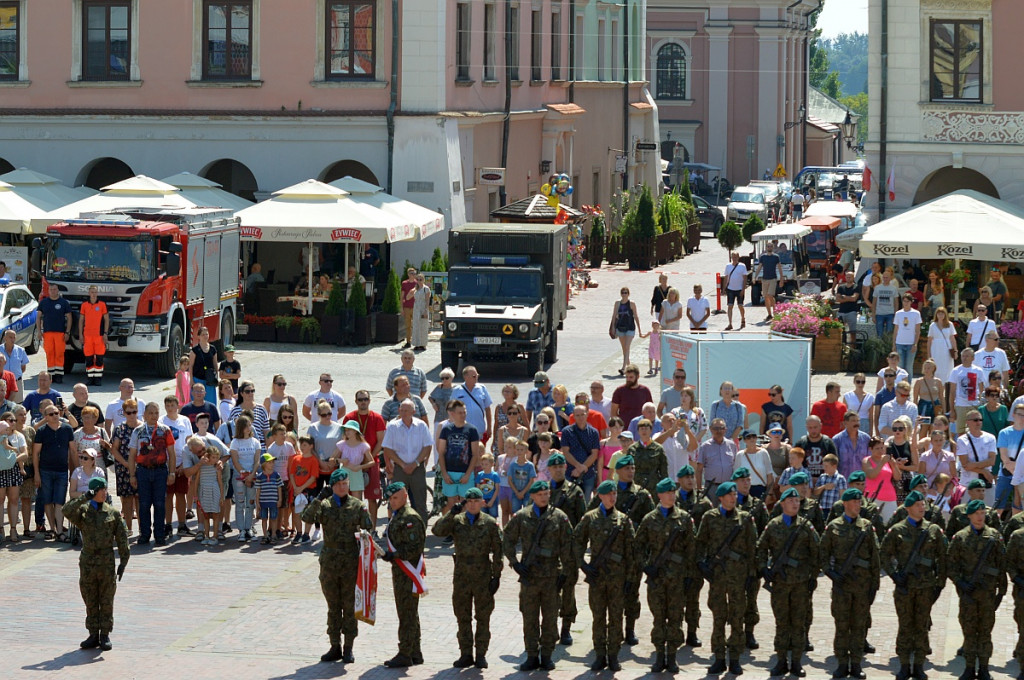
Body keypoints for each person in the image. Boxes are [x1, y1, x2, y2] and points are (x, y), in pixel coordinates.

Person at [302, 467, 373, 663]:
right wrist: (317, 499)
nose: (343, 487)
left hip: (350, 560)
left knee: (349, 606)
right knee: (333, 606)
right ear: (332, 486)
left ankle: (349, 647)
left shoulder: (357, 505)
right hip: (330, 561)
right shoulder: (325, 505)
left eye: (345, 484)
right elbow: (306, 518)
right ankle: (335, 645)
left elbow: (369, 527)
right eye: (339, 484)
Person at [503, 479, 574, 671]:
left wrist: (566, 573)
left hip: (552, 576)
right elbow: (507, 539)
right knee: (530, 618)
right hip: (530, 577)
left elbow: (568, 546)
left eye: (546, 494)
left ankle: (547, 655)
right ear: (532, 496)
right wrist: (514, 563)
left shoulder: (559, 517)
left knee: (550, 618)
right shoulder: (522, 516)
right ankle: (532, 655)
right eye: (540, 495)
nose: (544, 497)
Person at [431, 486, 503, 668]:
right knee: (462, 616)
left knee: (483, 616)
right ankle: (465, 653)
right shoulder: (457, 520)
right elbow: (437, 531)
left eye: (475, 501)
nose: (472, 505)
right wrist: (451, 513)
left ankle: (480, 654)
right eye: (469, 501)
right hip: (462, 574)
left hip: (483, 574)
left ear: (482, 503)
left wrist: (497, 576)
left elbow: (498, 551)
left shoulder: (490, 523)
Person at [880, 490, 948, 680]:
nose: (922, 508)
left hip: (926, 587)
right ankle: (903, 665)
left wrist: (939, 584)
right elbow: (883, 554)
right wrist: (894, 575)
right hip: (905, 587)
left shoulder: (933, 530)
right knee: (905, 626)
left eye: (923, 505)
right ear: (908, 508)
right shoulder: (897, 530)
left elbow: (943, 558)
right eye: (918, 505)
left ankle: (918, 665)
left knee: (921, 626)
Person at [757, 487, 820, 678]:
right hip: (780, 583)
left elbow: (817, 552)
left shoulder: (806, 526)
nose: (795, 503)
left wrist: (813, 576)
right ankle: (781, 660)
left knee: (798, 623)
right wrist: (764, 569)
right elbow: (760, 548)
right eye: (791, 500)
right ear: (782, 503)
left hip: (800, 583)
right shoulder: (773, 525)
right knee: (782, 623)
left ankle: (796, 662)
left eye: (797, 501)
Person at [696, 481, 758, 676]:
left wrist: (751, 574)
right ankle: (719, 658)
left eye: (734, 494)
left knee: (737, 617)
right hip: (718, 577)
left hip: (738, 576)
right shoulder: (709, 517)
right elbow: (700, 544)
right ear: (720, 498)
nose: (734, 497)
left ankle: (736, 659)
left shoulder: (745, 519)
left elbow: (752, 549)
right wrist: (702, 566)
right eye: (729, 495)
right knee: (718, 617)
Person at [575, 479, 636, 672]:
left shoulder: (624, 520)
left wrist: (630, 579)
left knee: (616, 617)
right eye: (609, 494)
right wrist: (583, 566)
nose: (613, 497)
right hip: (597, 577)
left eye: (615, 494)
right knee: (599, 617)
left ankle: (613, 655)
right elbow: (576, 543)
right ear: (600, 495)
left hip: (618, 578)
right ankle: (600, 655)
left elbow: (631, 552)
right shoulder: (590, 518)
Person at [819, 487, 880, 680]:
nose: (858, 505)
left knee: (859, 626)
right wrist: (831, 574)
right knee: (842, 625)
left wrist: (874, 587)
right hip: (842, 587)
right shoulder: (834, 527)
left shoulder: (868, 527)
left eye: (859, 501)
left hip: (862, 587)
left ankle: (856, 663)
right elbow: (822, 556)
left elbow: (875, 559)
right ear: (845, 504)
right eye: (854, 502)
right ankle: (842, 663)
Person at [62, 477, 129, 652]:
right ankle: (93, 634)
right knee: (90, 598)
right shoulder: (83, 512)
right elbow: (66, 510)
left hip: (106, 562)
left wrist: (123, 562)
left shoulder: (112, 513)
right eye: (101, 490)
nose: (104, 493)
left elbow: (122, 540)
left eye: (105, 489)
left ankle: (105, 634)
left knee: (106, 599)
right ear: (93, 492)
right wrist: (85, 497)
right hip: (88, 561)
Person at [635, 476, 693, 673]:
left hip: (677, 577)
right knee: (659, 618)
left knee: (676, 617)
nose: (671, 495)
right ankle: (659, 655)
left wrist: (688, 575)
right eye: (667, 492)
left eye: (673, 491)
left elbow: (691, 549)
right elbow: (638, 547)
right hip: (657, 577)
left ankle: (673, 657)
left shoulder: (684, 518)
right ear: (659, 495)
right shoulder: (649, 519)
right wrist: (645, 566)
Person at [947, 500, 1006, 680]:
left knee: (986, 632)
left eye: (982, 513)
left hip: (988, 593)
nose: (980, 517)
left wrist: (1001, 592)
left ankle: (985, 668)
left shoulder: (995, 537)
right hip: (968, 594)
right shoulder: (960, 538)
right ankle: (969, 667)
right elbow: (950, 566)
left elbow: (1002, 565)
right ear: (969, 516)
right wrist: (960, 583)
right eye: (976, 514)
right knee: (970, 631)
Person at [378, 481, 427, 668]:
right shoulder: (397, 515)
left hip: (408, 571)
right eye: (390, 499)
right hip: (400, 571)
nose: (392, 501)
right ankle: (415, 652)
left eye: (396, 497)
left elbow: (415, 548)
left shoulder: (410, 518)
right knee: (410, 613)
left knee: (406, 614)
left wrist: (394, 555)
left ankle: (405, 653)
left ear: (405, 496)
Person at [128, 402, 177, 546]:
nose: (153, 416)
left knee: (160, 503)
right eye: (150, 413)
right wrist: (132, 475)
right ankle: (144, 534)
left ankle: (160, 535)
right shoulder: (138, 431)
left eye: (156, 413)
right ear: (144, 415)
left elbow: (172, 454)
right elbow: (131, 455)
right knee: (143, 504)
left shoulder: (165, 430)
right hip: (142, 470)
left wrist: (172, 472)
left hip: (161, 470)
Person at [380, 400, 433, 517]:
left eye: (406, 410)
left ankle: (420, 530)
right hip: (400, 468)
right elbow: (387, 449)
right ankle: (395, 529)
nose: (403, 413)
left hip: (417, 468)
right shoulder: (393, 426)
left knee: (420, 502)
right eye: (401, 410)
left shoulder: (421, 425)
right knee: (396, 501)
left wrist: (415, 464)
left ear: (413, 411)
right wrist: (403, 465)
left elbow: (427, 446)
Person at [437, 399, 482, 511]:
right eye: (460, 413)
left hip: (465, 472)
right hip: (450, 472)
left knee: (465, 503)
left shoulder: (472, 430)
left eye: (464, 412)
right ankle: (451, 526)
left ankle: (463, 526)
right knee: (450, 504)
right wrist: (444, 474)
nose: (463, 415)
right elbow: (441, 452)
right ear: (453, 414)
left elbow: (475, 455)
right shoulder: (446, 429)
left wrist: (467, 474)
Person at [37, 282, 72, 383]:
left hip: (60, 333)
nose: (53, 291)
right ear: (48, 291)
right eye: (51, 290)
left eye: (55, 289)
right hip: (47, 333)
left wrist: (68, 332)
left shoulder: (63, 302)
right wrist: (39, 331)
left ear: (58, 290)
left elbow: (69, 317)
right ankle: (51, 375)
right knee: (49, 353)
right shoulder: (44, 302)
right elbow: (38, 317)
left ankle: (59, 375)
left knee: (59, 354)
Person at [695, 418, 738, 499]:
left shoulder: (732, 445)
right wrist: (699, 489)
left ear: (725, 429)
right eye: (716, 428)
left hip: (728, 487)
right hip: (712, 487)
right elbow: (699, 470)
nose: (719, 431)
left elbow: (736, 466)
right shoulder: (705, 446)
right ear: (711, 429)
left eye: (721, 428)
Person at [451, 365, 493, 445]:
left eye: (477, 375)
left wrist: (489, 427)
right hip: (462, 429)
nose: (476, 377)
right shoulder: (457, 390)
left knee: (479, 454)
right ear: (466, 377)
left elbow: (488, 409)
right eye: (474, 376)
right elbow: (451, 409)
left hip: (479, 429)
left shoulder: (482, 388)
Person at [77, 285, 109, 386]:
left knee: (99, 358)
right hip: (87, 336)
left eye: (95, 292)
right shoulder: (84, 305)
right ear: (89, 293)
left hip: (99, 335)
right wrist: (80, 334)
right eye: (92, 292)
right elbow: (81, 320)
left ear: (97, 293)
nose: (94, 294)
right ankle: (90, 379)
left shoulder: (102, 304)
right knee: (89, 358)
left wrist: (105, 333)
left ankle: (98, 379)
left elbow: (106, 319)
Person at [863, 437, 898, 521]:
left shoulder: (887, 460)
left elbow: (897, 477)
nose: (880, 451)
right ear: (870, 449)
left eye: (882, 448)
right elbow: (871, 475)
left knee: (890, 522)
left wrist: (894, 465)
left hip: (889, 496)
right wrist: (882, 463)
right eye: (877, 448)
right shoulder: (867, 460)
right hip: (872, 497)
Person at [253, 453, 283, 543]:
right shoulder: (260, 477)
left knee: (273, 518)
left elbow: (279, 488)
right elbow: (258, 490)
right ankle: (265, 535)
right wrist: (257, 502)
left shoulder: (276, 475)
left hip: (273, 501)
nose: (272, 464)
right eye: (270, 462)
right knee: (264, 518)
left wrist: (280, 499)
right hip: (263, 501)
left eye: (273, 462)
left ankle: (273, 535)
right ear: (264, 464)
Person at [734, 430, 773, 498]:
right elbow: (736, 476)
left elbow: (769, 474)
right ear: (744, 440)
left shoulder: (763, 453)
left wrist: (769, 493)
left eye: (754, 436)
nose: (751, 439)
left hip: (760, 489)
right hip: (744, 490)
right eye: (748, 437)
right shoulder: (740, 455)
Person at [609, 287, 640, 374]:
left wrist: (640, 329)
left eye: (626, 292)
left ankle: (623, 368)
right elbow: (614, 315)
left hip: (630, 327)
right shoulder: (617, 303)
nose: (624, 294)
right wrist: (612, 327)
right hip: (620, 327)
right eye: (622, 292)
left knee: (627, 346)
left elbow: (636, 316)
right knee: (624, 348)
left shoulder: (632, 303)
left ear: (628, 294)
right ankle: (630, 367)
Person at [893, 293, 922, 375]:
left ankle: (908, 386)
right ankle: (900, 385)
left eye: (907, 301)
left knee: (909, 367)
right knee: (900, 366)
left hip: (911, 343)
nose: (905, 303)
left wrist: (915, 344)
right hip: (900, 342)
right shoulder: (898, 313)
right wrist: (894, 344)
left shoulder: (916, 313)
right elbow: (896, 329)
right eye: (904, 301)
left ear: (911, 302)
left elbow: (918, 330)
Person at [754, 242, 783, 320]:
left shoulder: (776, 257)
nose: (769, 247)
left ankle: (775, 311)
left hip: (773, 278)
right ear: (766, 248)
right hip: (764, 279)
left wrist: (781, 279)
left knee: (770, 295)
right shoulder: (763, 257)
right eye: (768, 246)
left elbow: (780, 268)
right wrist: (755, 276)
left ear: (772, 248)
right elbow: (759, 267)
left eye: (770, 246)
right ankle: (769, 314)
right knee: (766, 297)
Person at [722, 252, 748, 331]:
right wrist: (723, 289)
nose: (734, 258)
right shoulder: (728, 266)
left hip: (739, 289)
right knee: (730, 306)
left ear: (738, 257)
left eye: (736, 257)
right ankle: (730, 323)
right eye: (733, 257)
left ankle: (743, 319)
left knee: (740, 306)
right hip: (730, 289)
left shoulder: (742, 266)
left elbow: (745, 279)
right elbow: (726, 277)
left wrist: (743, 289)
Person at [0, 329, 28, 400]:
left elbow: (23, 367)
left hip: (17, 382)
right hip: (2, 383)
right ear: (5, 338)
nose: (12, 339)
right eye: (10, 337)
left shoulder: (20, 350)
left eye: (14, 337)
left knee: (17, 406)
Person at [872, 269, 899, 338]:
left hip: (890, 313)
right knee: (879, 334)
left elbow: (896, 303)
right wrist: (873, 314)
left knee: (889, 334)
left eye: (887, 277)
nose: (885, 279)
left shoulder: (894, 288)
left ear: (890, 278)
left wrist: (895, 315)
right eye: (884, 277)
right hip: (879, 314)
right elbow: (874, 302)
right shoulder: (877, 288)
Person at [834, 271, 861, 342]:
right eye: (847, 277)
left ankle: (853, 346)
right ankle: (841, 346)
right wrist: (849, 298)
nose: (848, 278)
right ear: (845, 277)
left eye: (850, 277)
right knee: (840, 331)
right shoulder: (841, 287)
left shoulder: (856, 286)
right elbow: (837, 299)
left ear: (853, 277)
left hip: (852, 312)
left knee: (853, 331)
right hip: (841, 312)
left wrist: (844, 297)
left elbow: (854, 298)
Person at [411, 273, 431, 351]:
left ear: (423, 280)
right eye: (418, 279)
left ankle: (423, 344)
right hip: (416, 308)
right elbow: (409, 297)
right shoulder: (416, 289)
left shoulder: (426, 289)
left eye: (421, 279)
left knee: (423, 326)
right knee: (416, 326)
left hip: (423, 308)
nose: (419, 281)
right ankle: (416, 344)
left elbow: (427, 300)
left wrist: (426, 311)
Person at [401, 266, 418, 349]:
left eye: (414, 273)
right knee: (408, 325)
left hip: (415, 307)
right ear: (408, 274)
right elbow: (402, 295)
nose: (413, 275)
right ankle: (408, 341)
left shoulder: (417, 283)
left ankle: (416, 341)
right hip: (407, 306)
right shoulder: (404, 283)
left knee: (415, 325)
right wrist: (401, 308)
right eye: (412, 273)